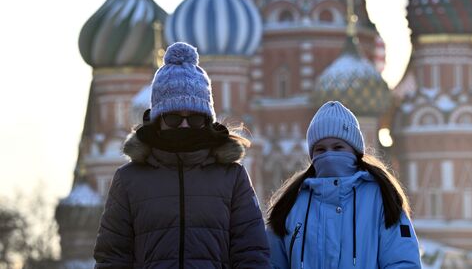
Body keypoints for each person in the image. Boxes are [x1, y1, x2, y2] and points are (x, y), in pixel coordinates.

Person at [94, 42, 270, 268]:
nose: (185, 126)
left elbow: (252, 252)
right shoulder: (129, 180)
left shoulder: (231, 177)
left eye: (195, 118)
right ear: (158, 120)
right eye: (174, 118)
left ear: (207, 121)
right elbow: (112, 256)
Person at [267, 101, 421, 269]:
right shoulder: (291, 204)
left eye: (338, 147)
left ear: (355, 151)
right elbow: (271, 263)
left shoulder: (381, 198)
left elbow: (402, 261)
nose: (329, 155)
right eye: (321, 149)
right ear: (312, 155)